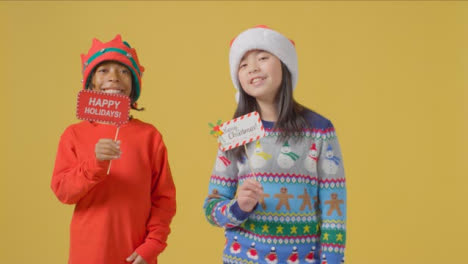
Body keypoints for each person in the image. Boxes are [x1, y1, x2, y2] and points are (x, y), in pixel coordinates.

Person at [203, 25, 346, 264]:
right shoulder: (234, 132)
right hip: (241, 259)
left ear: (285, 64)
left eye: (263, 57)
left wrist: (331, 261)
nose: (253, 68)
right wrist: (238, 208)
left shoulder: (320, 130)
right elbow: (211, 208)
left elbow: (335, 209)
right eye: (243, 64)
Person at [51, 35, 176, 264]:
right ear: (90, 83)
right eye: (104, 71)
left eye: (124, 72)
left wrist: (154, 243)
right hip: (88, 254)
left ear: (134, 85)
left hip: (136, 254)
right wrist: (95, 164)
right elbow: (63, 191)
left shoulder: (150, 136)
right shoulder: (74, 134)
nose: (114, 78)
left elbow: (164, 199)